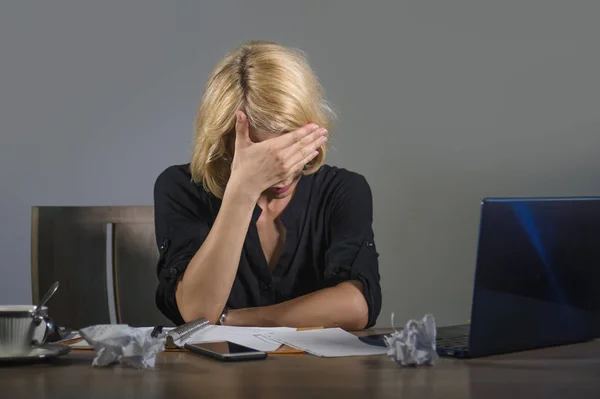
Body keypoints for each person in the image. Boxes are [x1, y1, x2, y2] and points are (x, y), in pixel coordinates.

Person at [154, 40, 381, 330]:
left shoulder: (343, 190)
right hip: (213, 374)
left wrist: (234, 319)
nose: (282, 173)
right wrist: (243, 189)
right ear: (224, 143)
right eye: (262, 154)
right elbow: (197, 311)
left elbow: (356, 305)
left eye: (291, 145)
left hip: (316, 373)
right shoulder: (180, 188)